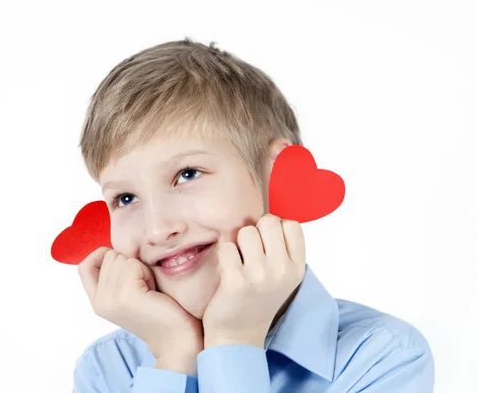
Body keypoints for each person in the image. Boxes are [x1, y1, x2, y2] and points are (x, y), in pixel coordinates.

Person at [71, 38, 434, 392]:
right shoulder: (107, 369)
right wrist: (173, 356)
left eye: (188, 174)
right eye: (125, 197)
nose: (158, 228)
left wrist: (234, 339)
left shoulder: (382, 357)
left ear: (277, 175)